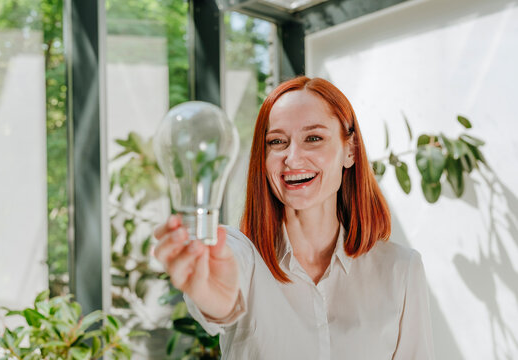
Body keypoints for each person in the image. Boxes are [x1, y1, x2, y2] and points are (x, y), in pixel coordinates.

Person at [152, 76, 435, 359]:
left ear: (350, 150)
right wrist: (215, 297)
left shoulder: (401, 269)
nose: (292, 157)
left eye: (313, 138)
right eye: (277, 141)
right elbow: (221, 291)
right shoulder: (243, 257)